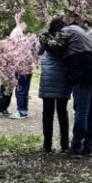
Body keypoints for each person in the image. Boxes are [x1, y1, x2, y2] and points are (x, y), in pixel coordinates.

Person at [40, 11, 92, 158]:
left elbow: (53, 47)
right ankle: (88, 148)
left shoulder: (68, 30)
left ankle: (76, 147)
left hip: (83, 70)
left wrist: (43, 38)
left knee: (82, 110)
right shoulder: (88, 32)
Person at [37, 16, 72, 153]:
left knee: (47, 112)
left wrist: (42, 39)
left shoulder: (45, 38)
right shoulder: (66, 38)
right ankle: (65, 145)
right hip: (63, 76)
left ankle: (47, 145)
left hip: (48, 77)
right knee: (62, 112)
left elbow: (38, 51)